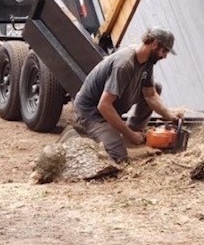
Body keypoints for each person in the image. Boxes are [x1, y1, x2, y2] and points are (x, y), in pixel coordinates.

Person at [73, 26, 185, 162]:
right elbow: (104, 105)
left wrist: (170, 116)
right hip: (92, 113)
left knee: (156, 87)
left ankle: (130, 134)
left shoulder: (147, 61)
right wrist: (130, 134)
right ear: (155, 44)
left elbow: (150, 95)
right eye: (165, 51)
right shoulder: (125, 64)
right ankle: (83, 137)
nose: (165, 56)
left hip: (109, 106)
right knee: (119, 156)